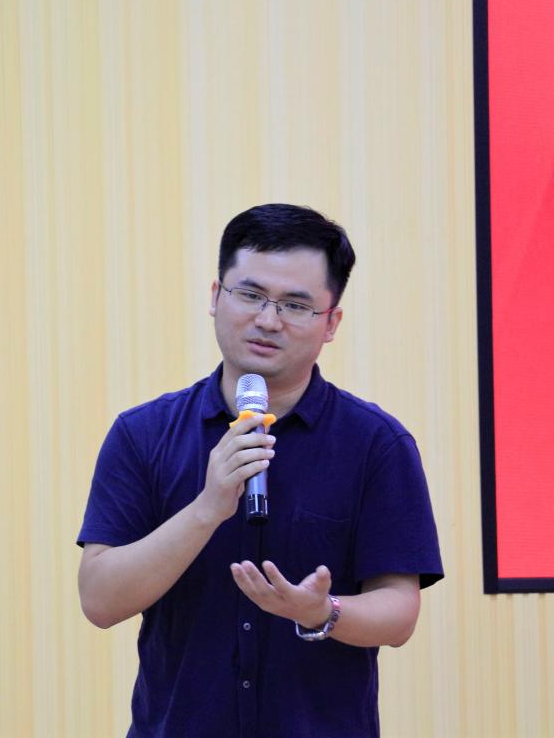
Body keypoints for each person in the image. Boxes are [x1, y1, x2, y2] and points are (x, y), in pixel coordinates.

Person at [77, 204, 443, 738]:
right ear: (215, 296)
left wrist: (322, 612)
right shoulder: (143, 434)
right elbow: (100, 600)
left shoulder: (376, 444)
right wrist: (205, 510)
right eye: (249, 295)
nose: (268, 320)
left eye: (296, 305)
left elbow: (399, 611)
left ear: (331, 322)